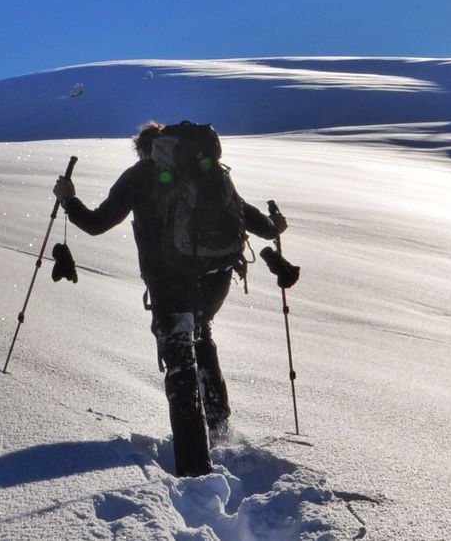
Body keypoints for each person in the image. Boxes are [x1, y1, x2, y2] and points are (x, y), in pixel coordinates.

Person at [53, 121, 286, 477]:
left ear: (145, 149)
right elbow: (245, 214)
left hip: (170, 283)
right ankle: (219, 428)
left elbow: (97, 223)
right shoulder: (207, 170)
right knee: (202, 335)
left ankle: (194, 466)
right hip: (215, 278)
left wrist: (68, 198)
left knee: (181, 366)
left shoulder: (140, 175)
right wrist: (274, 228)